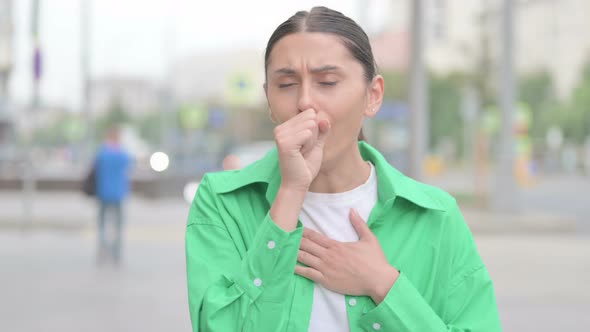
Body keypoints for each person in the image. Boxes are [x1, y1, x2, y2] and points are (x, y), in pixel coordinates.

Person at [186, 6, 501, 332]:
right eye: (286, 85)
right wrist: (290, 194)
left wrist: (384, 285)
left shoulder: (435, 216)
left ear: (373, 96)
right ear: (269, 100)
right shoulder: (222, 203)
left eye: (327, 81)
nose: (305, 102)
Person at [95, 125, 132, 266]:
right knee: (118, 224)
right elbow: (128, 165)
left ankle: (103, 248)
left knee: (102, 223)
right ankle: (116, 252)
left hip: (103, 192)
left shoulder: (102, 153)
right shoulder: (122, 154)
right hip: (118, 193)